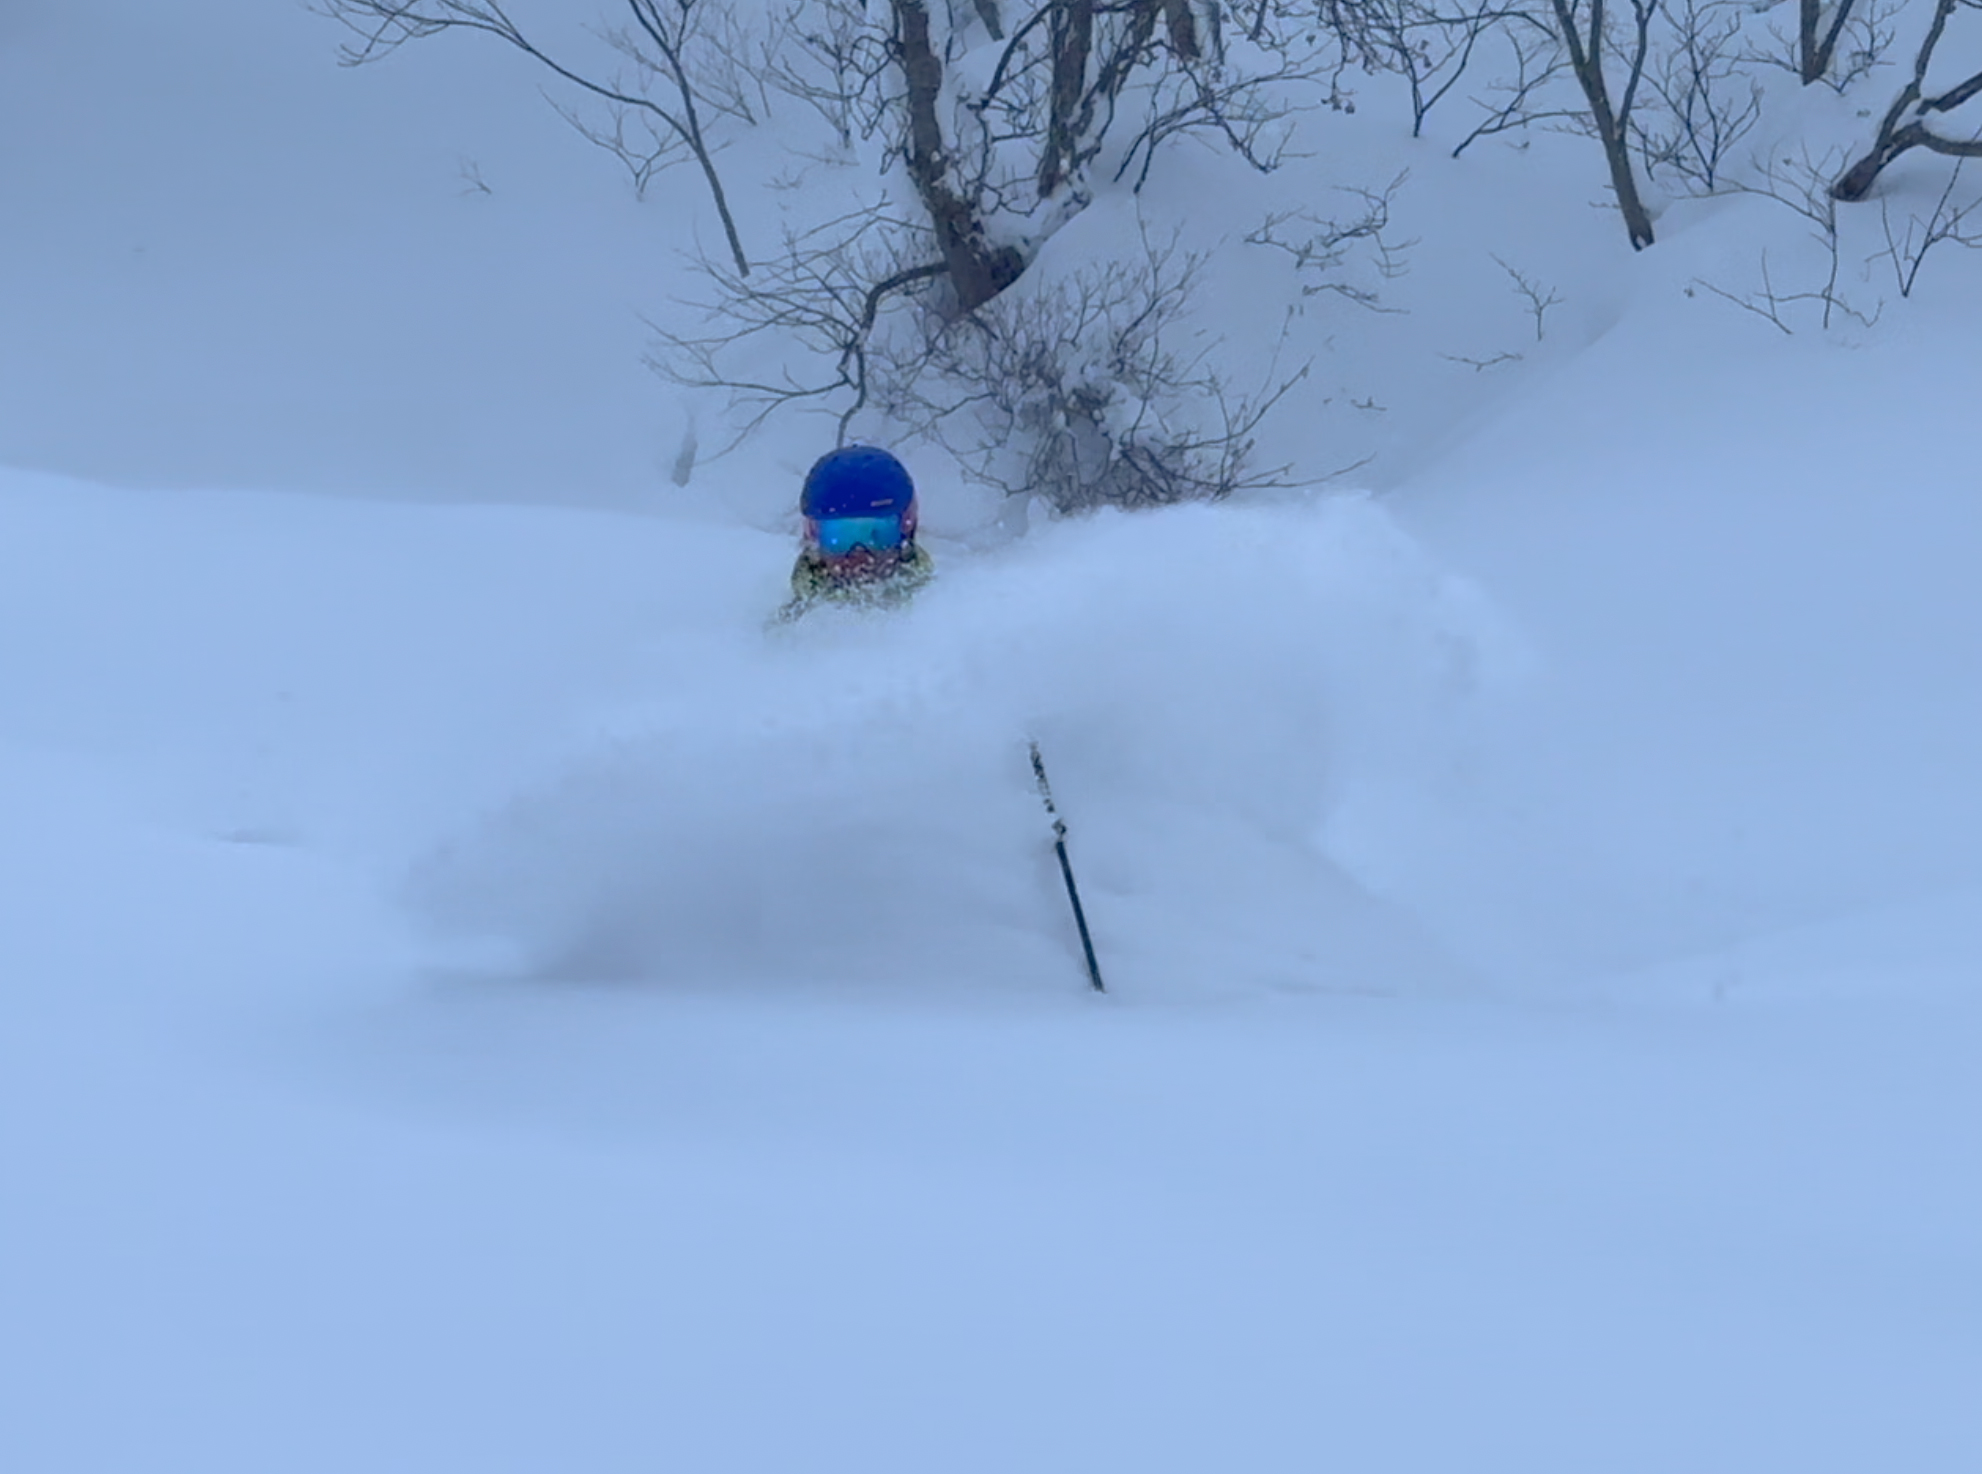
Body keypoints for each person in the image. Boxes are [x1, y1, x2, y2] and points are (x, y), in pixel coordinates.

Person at [777, 445, 935, 622]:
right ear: (813, 537)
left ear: (906, 528)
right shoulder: (784, 637)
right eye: (841, 538)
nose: (860, 556)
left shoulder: (945, 620)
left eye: (876, 535)